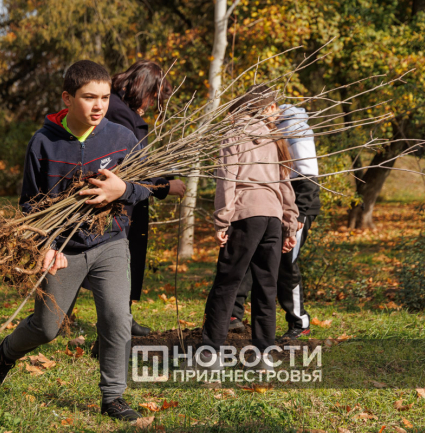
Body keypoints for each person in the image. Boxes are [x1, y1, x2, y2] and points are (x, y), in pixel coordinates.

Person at [0, 60, 153, 421]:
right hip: (63, 249)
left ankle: (113, 397)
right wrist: (46, 246)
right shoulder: (43, 142)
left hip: (110, 242)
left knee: (117, 318)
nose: (99, 106)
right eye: (89, 97)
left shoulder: (122, 138)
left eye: (105, 97)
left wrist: (123, 189)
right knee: (47, 328)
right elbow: (30, 204)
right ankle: (5, 355)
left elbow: (147, 187)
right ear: (67, 98)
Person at [197, 85, 299, 371]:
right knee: (266, 286)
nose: (277, 112)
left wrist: (222, 219)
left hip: (246, 215)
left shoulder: (234, 133)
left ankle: (211, 354)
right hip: (273, 217)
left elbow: (227, 179)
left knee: (227, 282)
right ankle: (264, 355)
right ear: (264, 107)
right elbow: (285, 184)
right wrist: (290, 225)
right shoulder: (274, 137)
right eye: (274, 106)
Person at [101, 60, 186, 336]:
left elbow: (141, 161)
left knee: (124, 260)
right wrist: (165, 186)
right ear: (143, 89)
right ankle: (112, 322)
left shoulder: (124, 110)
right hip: (118, 201)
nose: (151, 105)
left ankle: (123, 318)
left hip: (128, 197)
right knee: (115, 261)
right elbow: (133, 167)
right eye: (152, 97)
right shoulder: (120, 113)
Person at [229, 103, 320, 340]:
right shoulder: (265, 128)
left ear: (270, 106)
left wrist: (300, 213)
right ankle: (233, 315)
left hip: (298, 202)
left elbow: (309, 173)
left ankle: (299, 321)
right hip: (272, 200)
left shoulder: (294, 126)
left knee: (286, 261)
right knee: (253, 252)